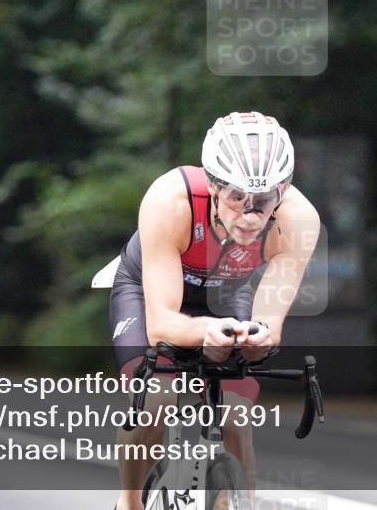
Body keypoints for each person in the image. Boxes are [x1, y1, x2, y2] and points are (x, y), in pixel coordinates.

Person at [109, 111, 320, 510]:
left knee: (237, 420)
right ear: (213, 185)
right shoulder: (171, 200)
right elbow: (162, 326)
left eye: (264, 199)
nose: (251, 214)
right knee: (156, 403)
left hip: (227, 294)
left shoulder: (299, 219)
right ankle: (131, 503)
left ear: (284, 189)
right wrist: (205, 332)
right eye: (237, 196)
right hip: (148, 291)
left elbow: (269, 324)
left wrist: (257, 338)